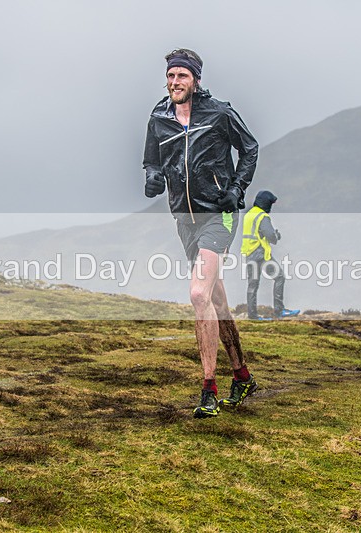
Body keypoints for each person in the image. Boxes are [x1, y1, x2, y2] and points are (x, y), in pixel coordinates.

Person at [143, 48, 259, 418]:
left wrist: (237, 190)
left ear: (196, 80)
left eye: (183, 76)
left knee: (197, 294)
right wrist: (152, 178)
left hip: (219, 215)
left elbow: (250, 148)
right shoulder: (159, 117)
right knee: (216, 300)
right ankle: (241, 375)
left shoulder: (219, 113)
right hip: (184, 219)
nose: (175, 82)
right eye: (171, 76)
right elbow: (151, 159)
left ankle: (208, 388)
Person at [241, 190, 300, 320]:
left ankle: (252, 315)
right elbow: (271, 237)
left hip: (249, 253)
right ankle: (279, 311)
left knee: (252, 284)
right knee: (279, 277)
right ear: (266, 203)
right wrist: (276, 236)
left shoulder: (249, 214)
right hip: (261, 254)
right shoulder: (262, 216)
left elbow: (254, 233)